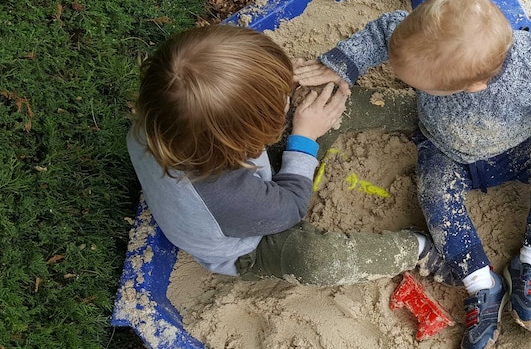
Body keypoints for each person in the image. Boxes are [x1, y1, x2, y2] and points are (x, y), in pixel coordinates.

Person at [295, 0, 531, 349]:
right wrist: (342, 63)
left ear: (474, 86)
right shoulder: (425, 38)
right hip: (444, 149)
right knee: (434, 195)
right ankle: (482, 284)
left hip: (519, 146)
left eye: (420, 87)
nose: (413, 88)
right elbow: (386, 32)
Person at [127, 24, 454, 287]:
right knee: (314, 259)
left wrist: (274, 83)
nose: (289, 96)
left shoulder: (163, 119)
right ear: (244, 140)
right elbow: (289, 209)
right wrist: (303, 137)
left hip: (233, 178)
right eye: (281, 99)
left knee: (323, 104)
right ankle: (414, 249)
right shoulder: (224, 194)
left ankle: (434, 116)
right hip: (249, 244)